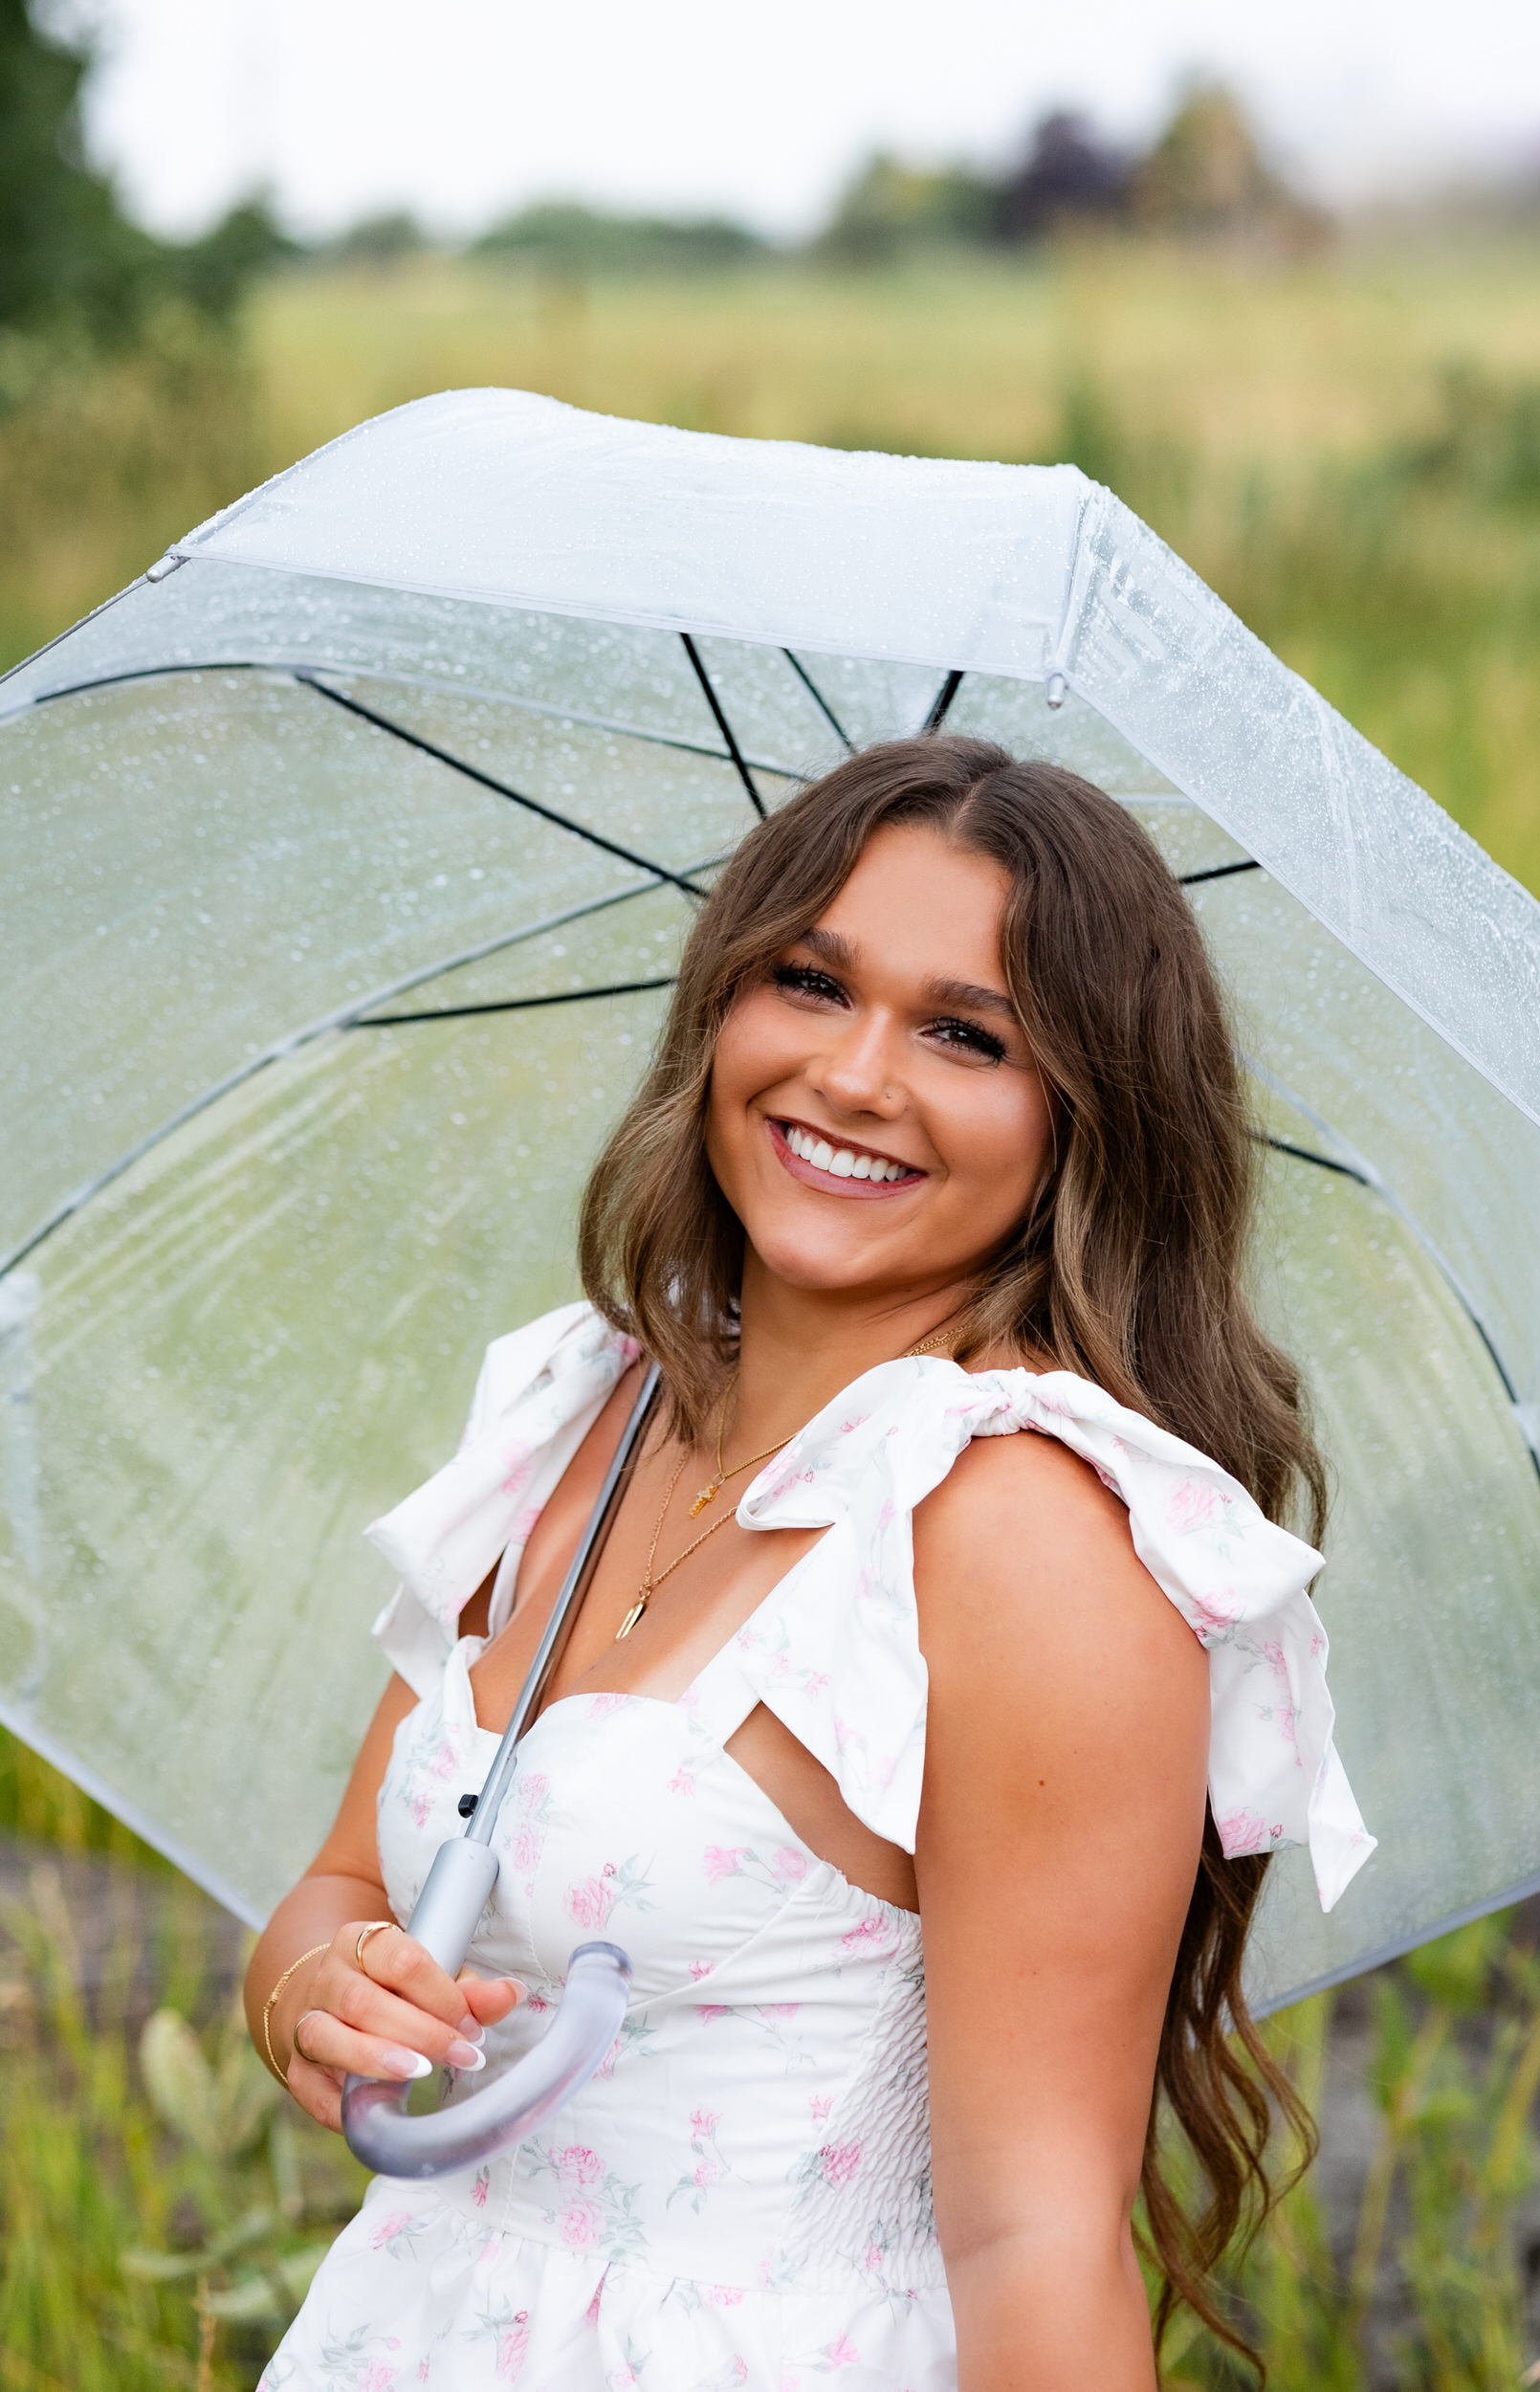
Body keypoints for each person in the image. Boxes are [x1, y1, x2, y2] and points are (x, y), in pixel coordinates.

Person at [249, 735, 1372, 2391]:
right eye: (810, 982)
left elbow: (1037, 2234)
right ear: (722, 1009)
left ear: (1082, 1120)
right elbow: (341, 1890)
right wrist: (318, 1995)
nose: (853, 1076)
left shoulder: (1020, 1537)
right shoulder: (588, 1410)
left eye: (965, 1035)